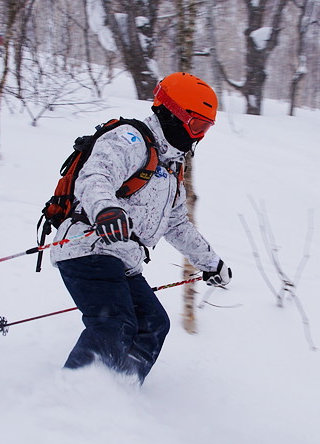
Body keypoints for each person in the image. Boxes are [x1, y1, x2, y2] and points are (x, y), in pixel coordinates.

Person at [49, 72, 232, 384]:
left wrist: (210, 263)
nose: (198, 136)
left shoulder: (172, 167)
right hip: (88, 247)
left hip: (121, 260)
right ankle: (70, 397)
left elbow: (176, 225)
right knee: (114, 323)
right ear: (173, 114)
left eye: (206, 128)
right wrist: (105, 208)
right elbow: (95, 177)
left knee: (153, 323)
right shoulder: (129, 139)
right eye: (196, 125)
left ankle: (120, 391)